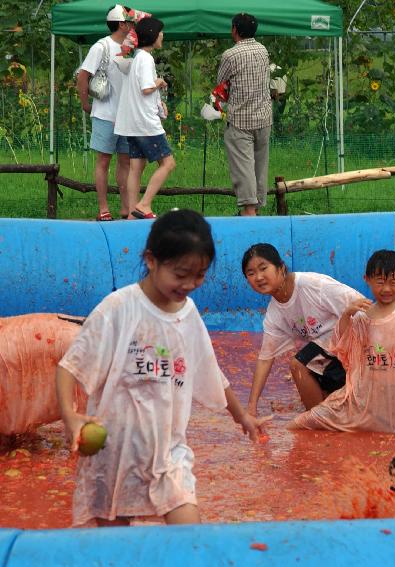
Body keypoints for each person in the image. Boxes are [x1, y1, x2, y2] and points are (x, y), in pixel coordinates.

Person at [55, 209, 268, 527]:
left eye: (200, 274)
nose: (190, 284)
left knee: (189, 536)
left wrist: (243, 417)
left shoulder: (188, 313)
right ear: (151, 260)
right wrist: (71, 418)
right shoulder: (119, 308)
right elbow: (69, 366)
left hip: (168, 454)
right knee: (114, 545)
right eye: (181, 274)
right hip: (112, 453)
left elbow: (209, 371)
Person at [290, 250, 395, 433]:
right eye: (380, 282)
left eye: (393, 282)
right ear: (366, 279)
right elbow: (342, 350)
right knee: (297, 425)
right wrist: (346, 315)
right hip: (361, 400)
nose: (386, 289)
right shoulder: (361, 317)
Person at [241, 243, 363, 412]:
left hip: (356, 344)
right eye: (251, 273)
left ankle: (318, 419)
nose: (259, 277)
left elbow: (362, 307)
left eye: (263, 268)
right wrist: (252, 406)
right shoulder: (274, 314)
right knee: (310, 375)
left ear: (281, 267)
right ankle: (326, 412)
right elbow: (265, 358)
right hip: (332, 354)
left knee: (299, 365)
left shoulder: (314, 286)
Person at [76, 4, 133, 221]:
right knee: (104, 161)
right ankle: (103, 208)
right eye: (129, 21)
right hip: (105, 114)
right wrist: (85, 103)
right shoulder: (102, 47)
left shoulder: (131, 47)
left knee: (126, 161)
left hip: (126, 115)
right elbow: (83, 75)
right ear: (121, 24)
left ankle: (126, 208)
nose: (132, 25)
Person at [114, 17, 175, 220]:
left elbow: (141, 90)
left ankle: (132, 212)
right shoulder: (146, 59)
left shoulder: (137, 57)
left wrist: (158, 103)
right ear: (152, 35)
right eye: (160, 32)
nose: (162, 35)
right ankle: (144, 204)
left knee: (136, 167)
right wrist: (159, 83)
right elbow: (146, 88)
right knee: (168, 164)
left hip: (131, 123)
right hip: (146, 125)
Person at [217, 13, 273, 217]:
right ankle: (255, 209)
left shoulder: (230, 55)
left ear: (234, 30)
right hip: (264, 118)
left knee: (244, 167)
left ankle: (249, 212)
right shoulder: (263, 50)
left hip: (240, 119)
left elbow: (221, 83)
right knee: (259, 166)